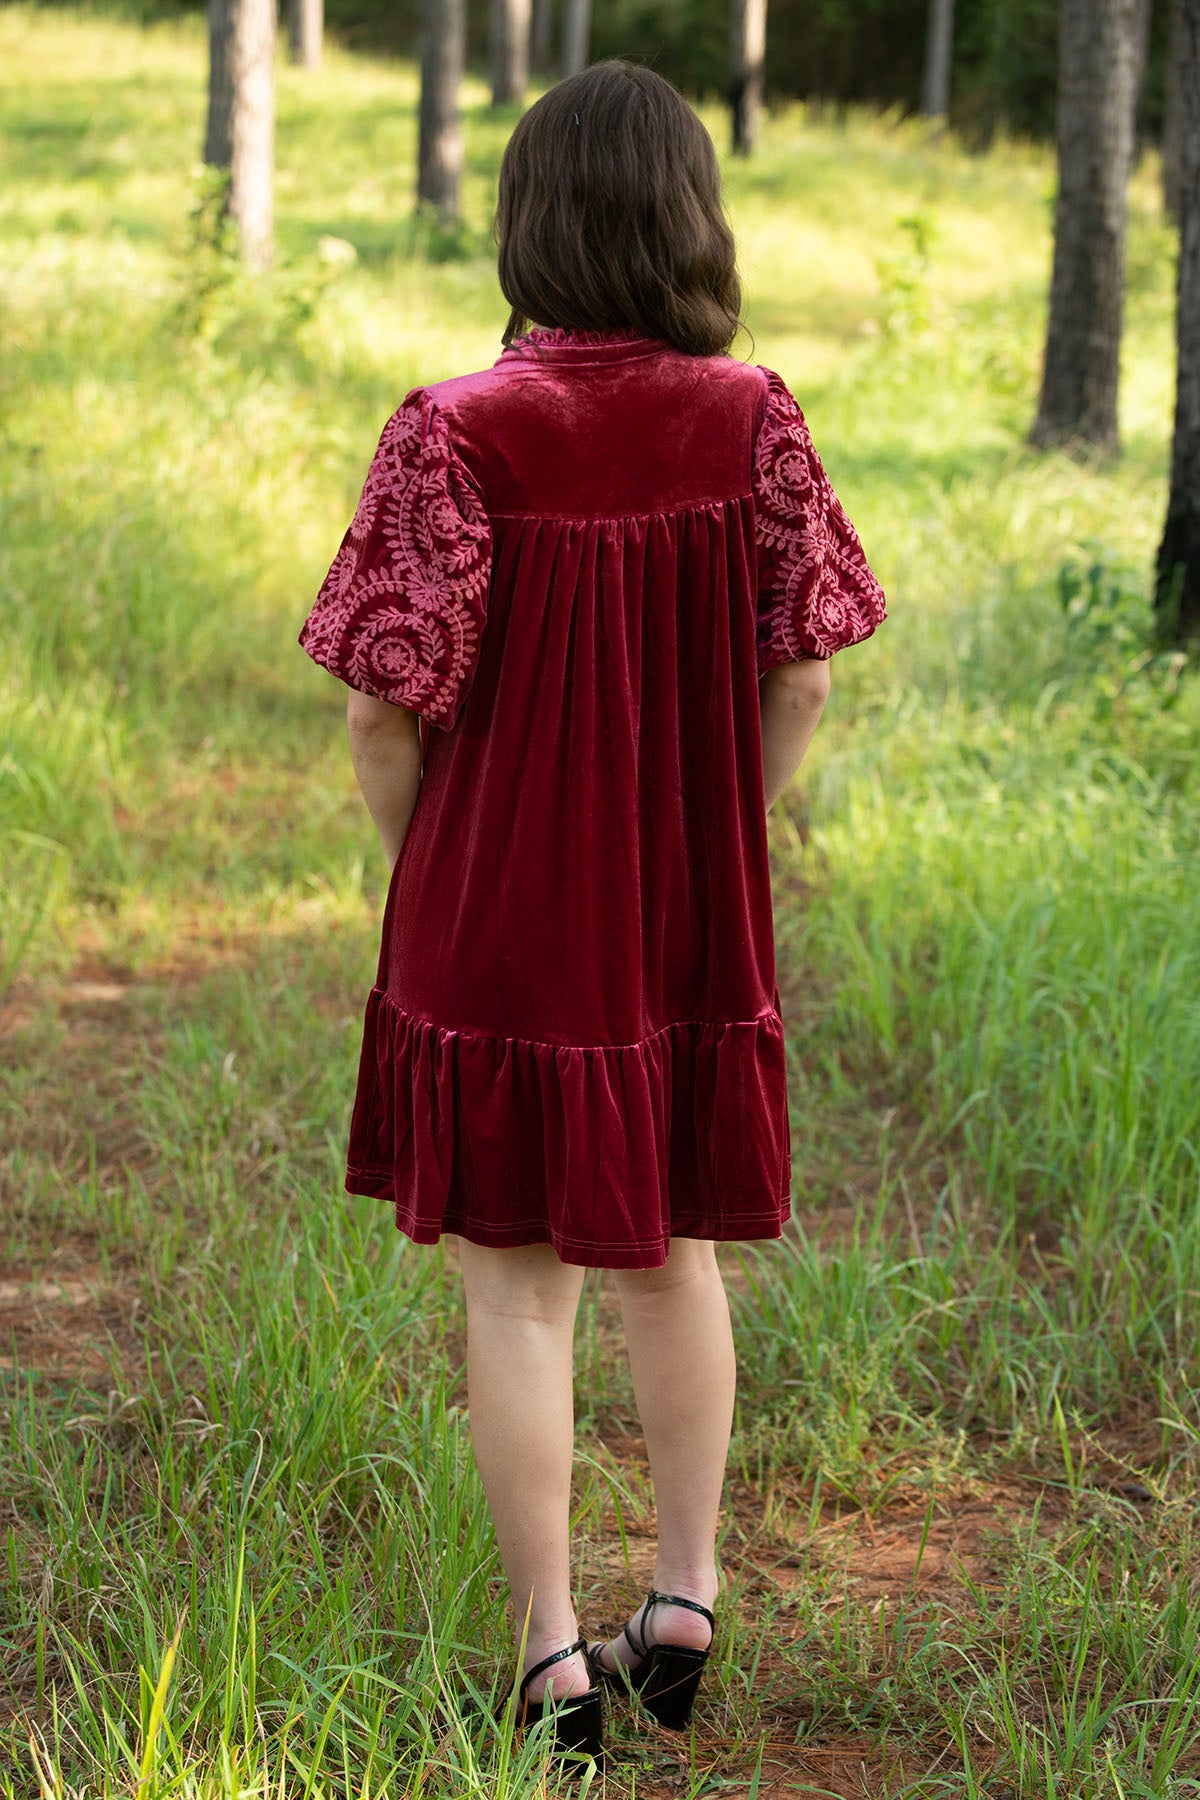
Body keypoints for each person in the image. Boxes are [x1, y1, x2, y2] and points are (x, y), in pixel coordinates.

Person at [299, 58, 886, 1773]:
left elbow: (379, 709)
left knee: (519, 1290)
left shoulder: (454, 429)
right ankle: (686, 1602)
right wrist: (707, 832)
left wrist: (442, 865)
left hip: (500, 916)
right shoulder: (756, 415)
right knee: (674, 1254)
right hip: (689, 912)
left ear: (528, 222)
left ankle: (553, 1653)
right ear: (689, 222)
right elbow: (807, 677)